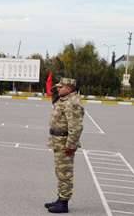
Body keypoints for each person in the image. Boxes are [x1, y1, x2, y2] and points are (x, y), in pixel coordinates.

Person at [44, 78, 84, 214]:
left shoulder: (72, 103)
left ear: (70, 88)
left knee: (65, 173)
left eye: (61, 87)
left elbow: (76, 127)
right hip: (58, 141)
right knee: (60, 172)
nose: (58, 89)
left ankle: (63, 203)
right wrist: (55, 90)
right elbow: (54, 95)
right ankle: (60, 198)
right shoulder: (63, 100)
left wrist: (71, 145)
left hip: (65, 142)